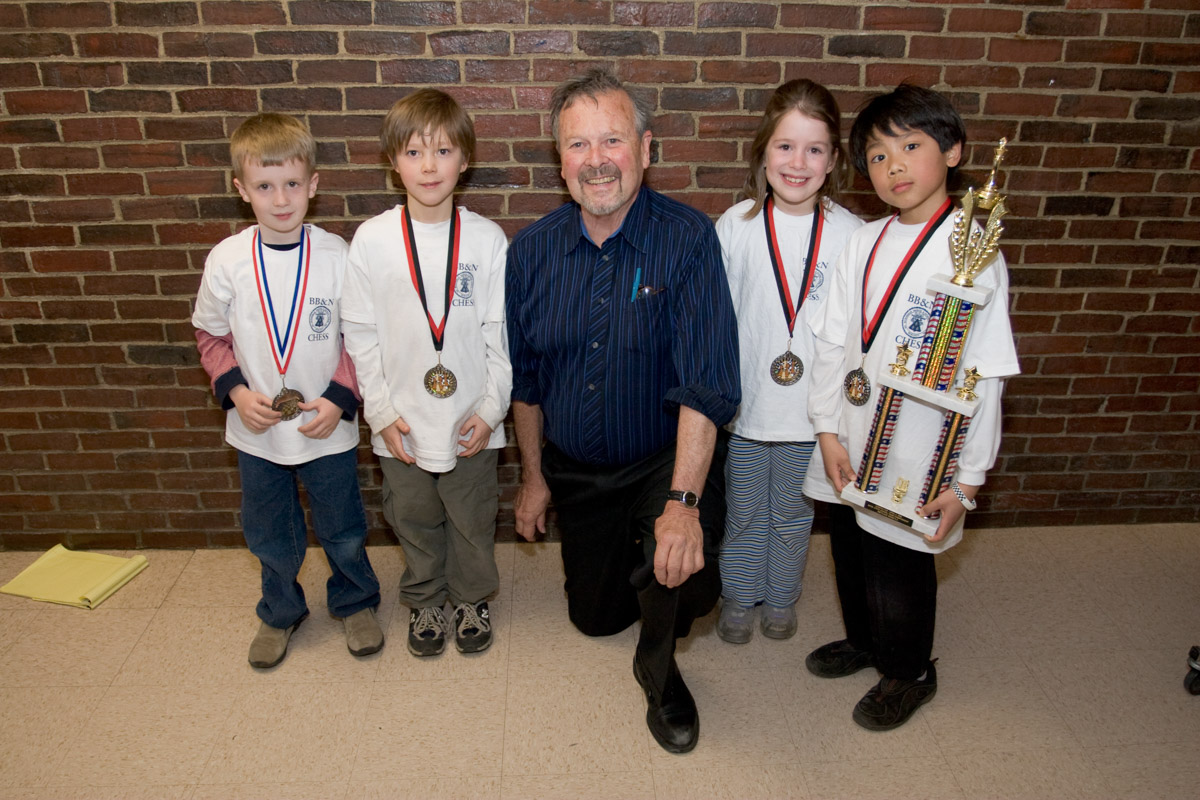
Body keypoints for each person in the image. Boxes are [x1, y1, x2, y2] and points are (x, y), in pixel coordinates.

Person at [505, 68, 740, 754]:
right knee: (595, 619)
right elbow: (527, 383)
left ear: (646, 148)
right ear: (560, 161)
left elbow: (706, 384)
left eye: (612, 139)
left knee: (684, 571)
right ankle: (631, 584)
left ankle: (661, 671)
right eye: (578, 145)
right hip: (578, 469)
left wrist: (684, 503)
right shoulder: (530, 253)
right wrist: (534, 478)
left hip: (663, 456)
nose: (597, 159)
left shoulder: (690, 241)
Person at [804, 85, 1020, 730]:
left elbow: (987, 375)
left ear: (953, 151)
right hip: (850, 429)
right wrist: (825, 428)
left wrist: (970, 480)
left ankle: (909, 669)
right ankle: (868, 641)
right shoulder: (861, 241)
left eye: (910, 146)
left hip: (919, 447)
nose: (892, 166)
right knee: (848, 545)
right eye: (875, 155)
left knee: (899, 561)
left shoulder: (972, 253)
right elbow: (831, 342)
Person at [192, 112, 383, 669]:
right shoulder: (227, 261)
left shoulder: (338, 257)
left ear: (313, 185)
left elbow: (360, 338)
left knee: (342, 525)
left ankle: (355, 601)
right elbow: (209, 334)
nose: (281, 199)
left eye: (293, 184)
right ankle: (280, 611)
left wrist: (340, 398)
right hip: (257, 431)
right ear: (241, 190)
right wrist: (234, 391)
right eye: (265, 186)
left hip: (325, 424)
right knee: (269, 532)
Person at [341, 89, 511, 658]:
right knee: (412, 518)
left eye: (443, 150)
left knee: (470, 516)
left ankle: (471, 597)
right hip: (404, 421)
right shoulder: (372, 239)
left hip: (471, 419)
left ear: (466, 160)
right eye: (415, 152)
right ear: (394, 162)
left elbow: (499, 335)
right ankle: (425, 600)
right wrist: (381, 412)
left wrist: (492, 409)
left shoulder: (486, 240)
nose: (430, 165)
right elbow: (360, 335)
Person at [714, 79, 863, 645]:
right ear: (763, 152)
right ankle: (738, 593)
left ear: (833, 161)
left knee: (796, 514)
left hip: (814, 417)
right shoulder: (737, 226)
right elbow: (717, 319)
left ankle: (780, 597)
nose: (797, 163)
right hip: (750, 409)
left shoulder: (851, 235)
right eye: (785, 146)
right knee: (746, 509)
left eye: (815, 149)